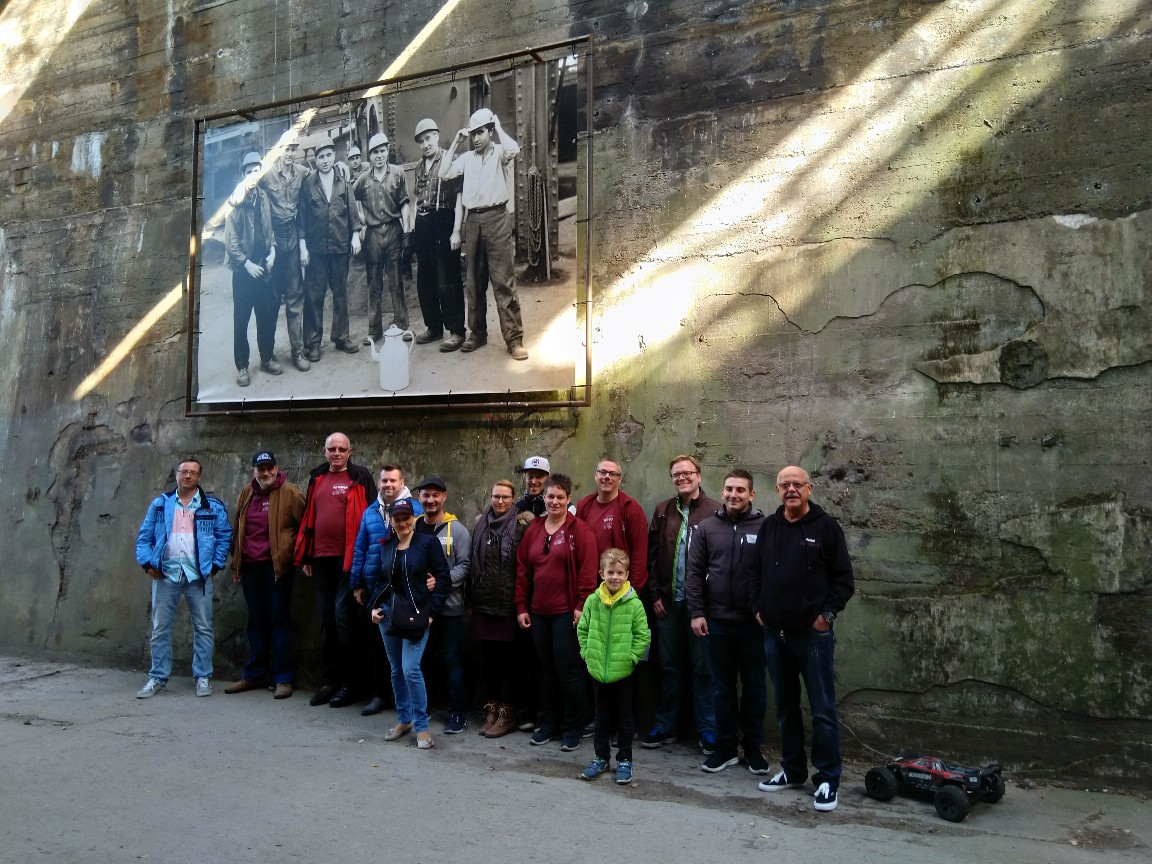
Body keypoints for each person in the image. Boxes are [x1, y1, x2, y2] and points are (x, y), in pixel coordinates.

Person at [752, 466, 855, 813]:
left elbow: (844, 580)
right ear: (777, 490)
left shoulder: (826, 528)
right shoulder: (769, 526)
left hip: (812, 636)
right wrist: (758, 609)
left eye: (797, 484)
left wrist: (825, 617)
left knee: (823, 709)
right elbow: (755, 572)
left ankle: (827, 778)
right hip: (774, 633)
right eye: (785, 485)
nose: (791, 489)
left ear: (809, 488)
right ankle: (793, 770)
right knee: (785, 706)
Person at [685, 469, 768, 774]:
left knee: (755, 688)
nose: (734, 495)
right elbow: (693, 573)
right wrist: (696, 612)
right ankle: (725, 748)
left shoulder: (766, 526)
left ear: (751, 495)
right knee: (721, 689)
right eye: (730, 489)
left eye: (741, 490)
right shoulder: (706, 528)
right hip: (716, 622)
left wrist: (765, 612)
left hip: (753, 625)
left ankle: (754, 749)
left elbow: (771, 573)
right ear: (722, 492)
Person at [134, 459, 232, 698]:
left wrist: (215, 566)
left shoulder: (212, 506)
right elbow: (144, 538)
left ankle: (203, 677)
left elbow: (224, 536)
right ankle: (157, 677)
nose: (188, 476)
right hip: (166, 573)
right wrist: (148, 565)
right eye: (184, 471)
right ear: (177, 475)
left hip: (198, 576)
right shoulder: (160, 504)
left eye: (193, 472)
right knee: (160, 628)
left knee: (203, 627)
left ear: (199, 477)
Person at [642, 454, 721, 752]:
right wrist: (655, 595)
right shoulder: (662, 510)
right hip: (668, 605)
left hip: (702, 609)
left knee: (703, 669)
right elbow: (651, 558)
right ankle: (666, 725)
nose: (682, 478)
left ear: (699, 476)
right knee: (669, 667)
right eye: (676, 474)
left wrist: (708, 605)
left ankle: (708, 730)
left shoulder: (716, 511)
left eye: (687, 473)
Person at [515, 474, 599, 751]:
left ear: (568, 499)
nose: (554, 501)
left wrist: (580, 606)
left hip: (567, 614)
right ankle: (548, 723)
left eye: (559, 497)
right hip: (539, 613)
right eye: (550, 496)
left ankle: (573, 727)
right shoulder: (535, 529)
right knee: (546, 670)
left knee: (570, 671)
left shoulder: (580, 531)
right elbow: (523, 571)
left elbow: (588, 573)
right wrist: (521, 606)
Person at [438, 107, 528, 360]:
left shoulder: (500, 152)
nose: (475, 138)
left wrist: (498, 126)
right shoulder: (466, 158)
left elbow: (515, 150)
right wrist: (456, 141)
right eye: (472, 134)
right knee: (474, 282)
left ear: (489, 131)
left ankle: (514, 339)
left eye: (480, 132)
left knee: (503, 281)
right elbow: (443, 172)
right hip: (473, 221)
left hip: (498, 218)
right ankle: (477, 333)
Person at [293, 432, 375, 708]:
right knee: (327, 623)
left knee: (344, 621)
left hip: (349, 560)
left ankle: (350, 683)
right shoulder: (317, 477)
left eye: (342, 449)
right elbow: (309, 517)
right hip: (321, 559)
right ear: (324, 451)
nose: (337, 453)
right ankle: (331, 681)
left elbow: (373, 515)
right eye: (332, 449)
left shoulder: (360, 477)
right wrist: (306, 555)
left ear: (350, 452)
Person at [367, 499, 452, 750]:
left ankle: (422, 727)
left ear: (412, 519)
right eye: (397, 519)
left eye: (406, 518)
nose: (402, 523)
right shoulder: (387, 546)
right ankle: (404, 720)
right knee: (396, 669)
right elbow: (379, 582)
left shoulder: (427, 543)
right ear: (391, 522)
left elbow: (443, 579)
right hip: (389, 616)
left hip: (417, 617)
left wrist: (431, 614)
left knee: (411, 670)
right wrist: (373, 608)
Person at [224, 450, 305, 698]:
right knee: (256, 621)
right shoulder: (247, 493)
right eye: (261, 469)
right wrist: (236, 558)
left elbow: (305, 527)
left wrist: (294, 555)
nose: (266, 473)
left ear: (277, 468)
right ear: (254, 471)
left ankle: (283, 678)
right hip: (250, 566)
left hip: (277, 568)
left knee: (278, 621)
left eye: (270, 468)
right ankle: (254, 674)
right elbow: (238, 526)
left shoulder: (290, 493)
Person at [348, 464, 423, 716]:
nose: (388, 485)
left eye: (393, 480)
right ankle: (381, 695)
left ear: (402, 482)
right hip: (375, 588)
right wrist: (357, 582)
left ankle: (413, 704)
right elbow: (360, 547)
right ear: (379, 483)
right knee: (379, 647)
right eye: (384, 481)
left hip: (405, 590)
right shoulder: (371, 512)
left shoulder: (415, 510)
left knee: (409, 652)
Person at [576, 548, 651, 786]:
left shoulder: (634, 604)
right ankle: (600, 758)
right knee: (601, 718)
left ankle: (625, 760)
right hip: (598, 670)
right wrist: (587, 654)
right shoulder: (592, 601)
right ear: (601, 573)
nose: (615, 577)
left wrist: (631, 658)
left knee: (625, 719)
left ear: (626, 574)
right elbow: (583, 630)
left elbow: (642, 636)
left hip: (624, 672)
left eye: (620, 573)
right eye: (610, 572)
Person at [469, 479, 530, 738]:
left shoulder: (522, 527)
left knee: (508, 663)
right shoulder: (480, 524)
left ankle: (507, 714)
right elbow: (473, 563)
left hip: (507, 607)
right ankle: (491, 710)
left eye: (506, 497)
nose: (500, 501)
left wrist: (521, 604)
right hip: (483, 605)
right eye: (496, 496)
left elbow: (525, 569)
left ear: (513, 498)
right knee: (488, 662)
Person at [414, 475, 472, 734]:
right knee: (422, 659)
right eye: (426, 495)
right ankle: (422, 708)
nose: (430, 500)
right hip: (419, 606)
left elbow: (465, 565)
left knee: (451, 659)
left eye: (436, 495)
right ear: (419, 498)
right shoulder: (414, 526)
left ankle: (457, 713)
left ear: (444, 498)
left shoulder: (456, 530)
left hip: (449, 606)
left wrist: (440, 582)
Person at [298, 138, 362, 362]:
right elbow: (302, 219)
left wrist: (355, 236)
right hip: (316, 251)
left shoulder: (343, 183)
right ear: (315, 160)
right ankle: (313, 343)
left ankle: (341, 337)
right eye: (320, 157)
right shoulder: (308, 184)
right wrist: (303, 247)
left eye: (328, 156)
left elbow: (353, 214)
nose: (325, 161)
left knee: (340, 294)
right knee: (314, 296)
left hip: (339, 248)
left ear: (334, 156)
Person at [411, 118, 466, 353]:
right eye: (421, 141)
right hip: (422, 223)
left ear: (437, 136)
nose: (425, 144)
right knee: (425, 279)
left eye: (429, 138)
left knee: (448, 279)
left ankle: (456, 331)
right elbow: (417, 198)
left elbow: (459, 198)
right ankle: (433, 327)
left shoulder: (449, 158)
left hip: (443, 219)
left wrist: (456, 230)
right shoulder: (418, 166)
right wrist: (415, 228)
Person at [224, 151, 279, 387]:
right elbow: (231, 242)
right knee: (242, 320)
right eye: (249, 172)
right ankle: (242, 366)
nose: (254, 175)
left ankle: (266, 358)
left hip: (263, 267)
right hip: (244, 271)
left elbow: (269, 229)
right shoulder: (235, 202)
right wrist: (247, 264)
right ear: (243, 175)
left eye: (257, 171)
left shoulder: (264, 197)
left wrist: (274, 250)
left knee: (266, 316)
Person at [259, 133, 312, 373]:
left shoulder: (302, 172)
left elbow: (320, 176)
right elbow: (251, 188)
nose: (289, 154)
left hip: (292, 237)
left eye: (293, 149)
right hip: (273, 241)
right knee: (270, 302)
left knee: (295, 298)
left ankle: (297, 351)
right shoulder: (267, 174)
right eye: (286, 149)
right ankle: (267, 357)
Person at [354, 132, 411, 342]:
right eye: (375, 152)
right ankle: (374, 330)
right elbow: (351, 200)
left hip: (394, 230)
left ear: (387, 151)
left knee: (396, 281)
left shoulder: (398, 173)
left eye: (382, 151)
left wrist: (407, 231)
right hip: (373, 235)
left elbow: (405, 203)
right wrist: (361, 220)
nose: (379, 155)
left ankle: (402, 325)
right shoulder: (362, 180)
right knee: (374, 284)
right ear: (369, 156)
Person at [575, 458, 649, 593]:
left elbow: (640, 552)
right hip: (591, 586)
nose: (607, 477)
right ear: (596, 476)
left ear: (619, 479)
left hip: (619, 585)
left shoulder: (631, 509)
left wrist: (633, 590)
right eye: (603, 472)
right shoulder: (584, 506)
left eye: (612, 474)